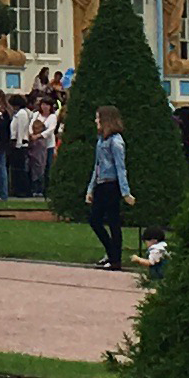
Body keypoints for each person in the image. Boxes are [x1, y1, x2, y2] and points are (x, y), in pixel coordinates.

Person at [86, 106, 133, 267]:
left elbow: (121, 168)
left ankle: (115, 258)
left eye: (98, 118)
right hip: (101, 183)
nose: (95, 121)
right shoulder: (102, 140)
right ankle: (111, 252)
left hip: (112, 185)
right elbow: (96, 166)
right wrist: (90, 189)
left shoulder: (116, 141)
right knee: (95, 220)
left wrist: (125, 192)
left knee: (113, 222)